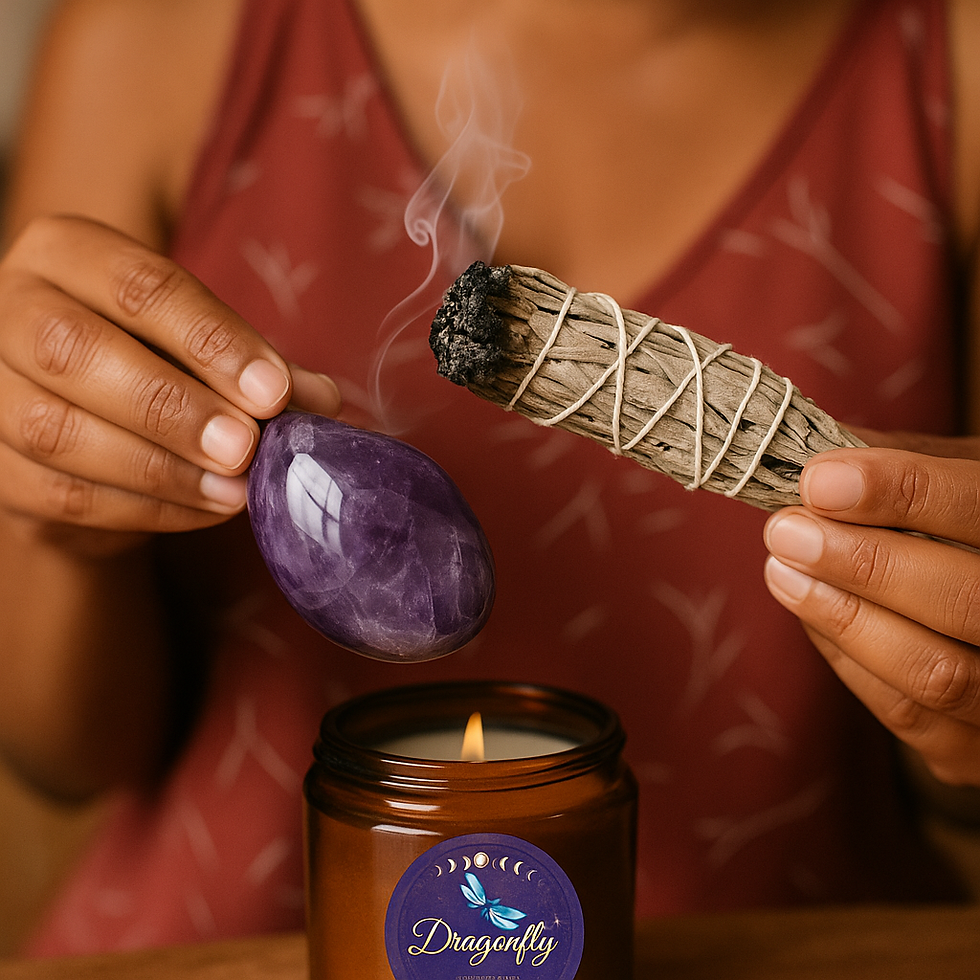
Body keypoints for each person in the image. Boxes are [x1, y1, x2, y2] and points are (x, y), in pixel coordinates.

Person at [2, 0, 980, 955]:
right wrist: (63, 524)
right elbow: (69, 754)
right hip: (241, 940)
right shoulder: (153, 41)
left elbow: (948, 783)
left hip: (776, 944)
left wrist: (952, 697)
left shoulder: (949, 71)